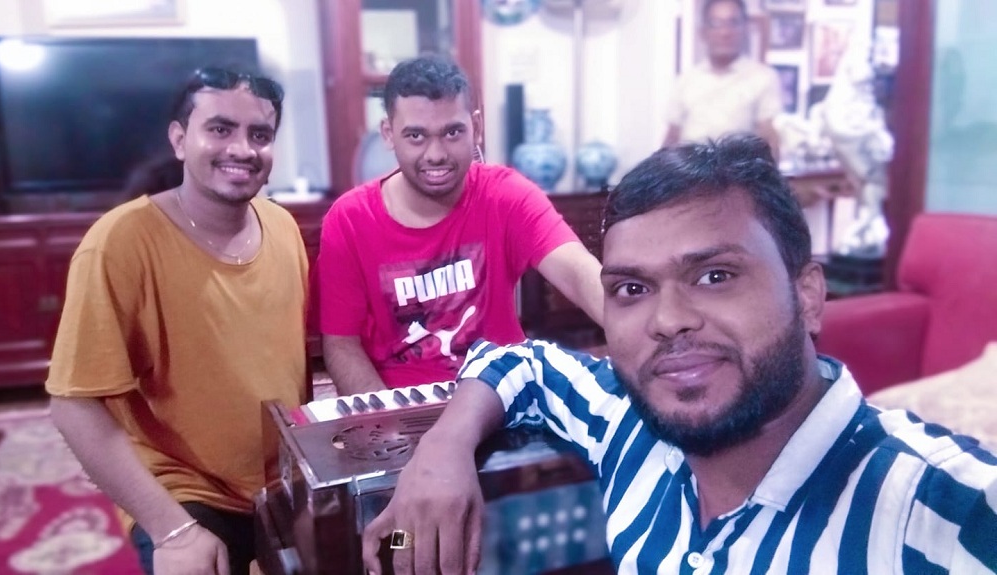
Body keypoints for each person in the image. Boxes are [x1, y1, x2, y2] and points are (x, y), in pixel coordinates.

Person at [361, 134, 997, 575]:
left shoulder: (948, 517)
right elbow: (520, 363)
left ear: (806, 295)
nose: (667, 321)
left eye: (715, 276)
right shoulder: (631, 422)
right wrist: (441, 452)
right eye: (632, 289)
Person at [46, 67, 308, 575]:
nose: (242, 148)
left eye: (260, 135)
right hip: (185, 494)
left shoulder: (282, 226)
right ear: (179, 139)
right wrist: (172, 530)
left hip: (285, 482)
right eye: (220, 129)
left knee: (394, 547)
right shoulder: (120, 242)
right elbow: (73, 405)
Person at [317, 54, 603, 394]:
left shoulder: (506, 195)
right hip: (402, 405)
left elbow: (579, 273)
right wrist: (386, 419)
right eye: (416, 136)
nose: (436, 154)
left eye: (452, 132)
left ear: (476, 128)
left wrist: (639, 333)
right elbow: (341, 344)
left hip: (503, 398)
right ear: (389, 134)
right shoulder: (349, 220)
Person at [663, 0, 782, 158]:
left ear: (745, 28)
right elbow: (672, 137)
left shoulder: (763, 77)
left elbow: (769, 138)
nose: (725, 32)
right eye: (715, 24)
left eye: (733, 23)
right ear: (703, 32)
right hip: (689, 169)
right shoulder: (685, 80)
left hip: (737, 170)